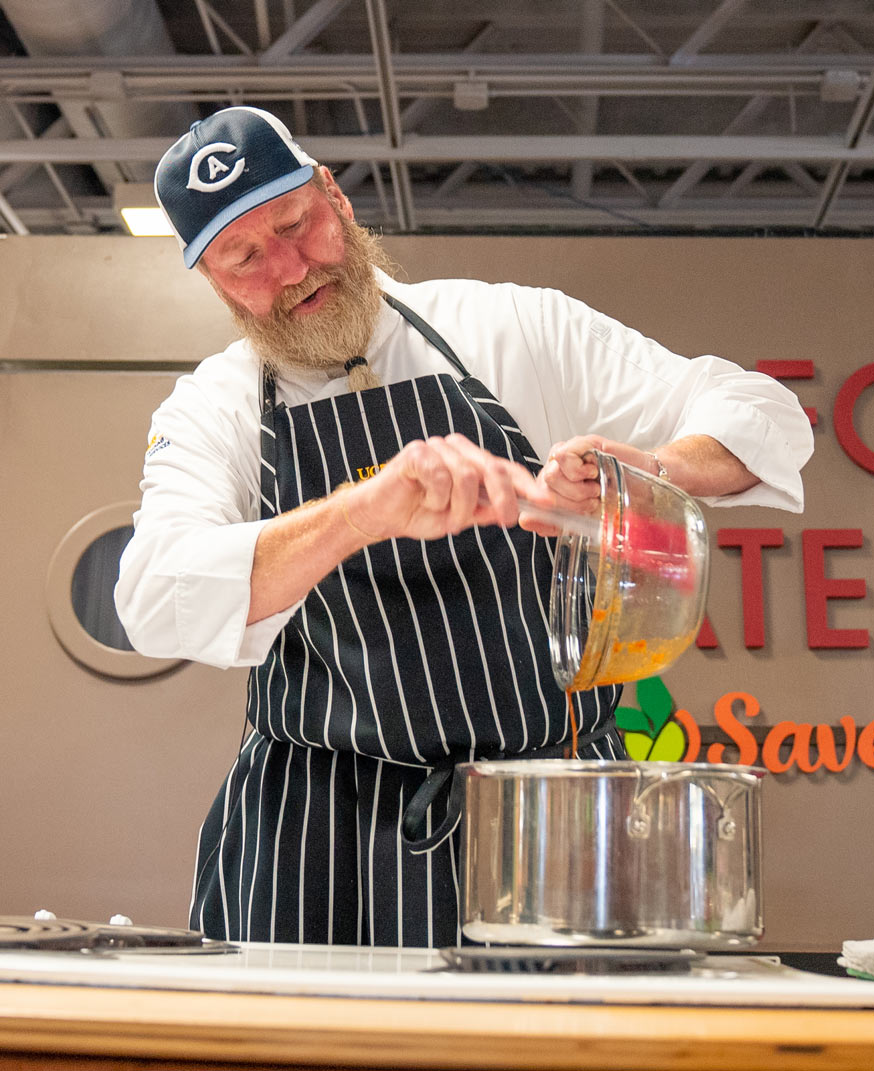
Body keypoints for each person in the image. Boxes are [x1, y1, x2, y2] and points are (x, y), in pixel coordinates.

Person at [115, 105, 813, 948]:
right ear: (215, 282)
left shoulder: (511, 327)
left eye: (297, 225)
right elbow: (154, 596)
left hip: (548, 811)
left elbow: (760, 412)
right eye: (247, 257)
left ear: (333, 196)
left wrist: (641, 474)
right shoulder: (214, 408)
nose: (293, 268)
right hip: (312, 829)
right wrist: (364, 511)